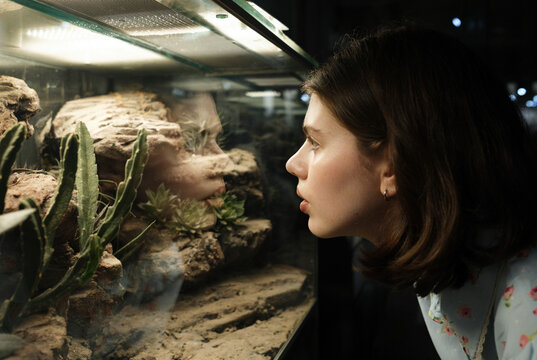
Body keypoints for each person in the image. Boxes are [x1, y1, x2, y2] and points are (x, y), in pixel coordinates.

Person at [286, 24, 537, 359]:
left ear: (392, 165)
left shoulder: (526, 302)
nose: (293, 163)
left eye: (315, 142)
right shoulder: (432, 262)